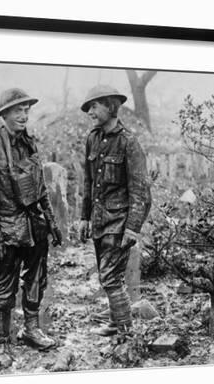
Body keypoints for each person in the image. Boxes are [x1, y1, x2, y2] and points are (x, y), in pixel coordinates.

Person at [0, 88, 63, 367]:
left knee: (36, 280)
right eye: (17, 111)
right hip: (7, 232)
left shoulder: (29, 144)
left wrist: (51, 221)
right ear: (4, 116)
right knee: (4, 289)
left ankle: (31, 330)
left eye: (26, 110)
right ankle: (0, 341)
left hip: (34, 227)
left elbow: (40, 188)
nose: (24, 115)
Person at [79, 84, 151, 336]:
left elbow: (140, 190)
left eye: (94, 106)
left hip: (119, 223)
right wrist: (83, 217)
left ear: (110, 106)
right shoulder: (92, 139)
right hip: (99, 221)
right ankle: (116, 322)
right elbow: (87, 182)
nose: (90, 112)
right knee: (110, 277)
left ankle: (124, 330)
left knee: (109, 278)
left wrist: (133, 228)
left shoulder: (129, 142)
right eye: (88, 108)